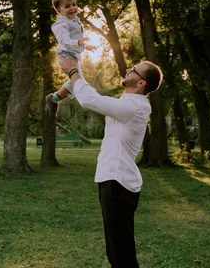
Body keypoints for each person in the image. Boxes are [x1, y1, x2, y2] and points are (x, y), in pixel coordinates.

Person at [58, 56, 163, 268]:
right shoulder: (127, 103)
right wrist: (59, 94)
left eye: (134, 70)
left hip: (118, 183)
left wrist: (72, 71)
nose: (129, 70)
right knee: (117, 251)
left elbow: (90, 100)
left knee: (120, 254)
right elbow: (87, 90)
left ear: (142, 83)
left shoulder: (135, 107)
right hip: (113, 181)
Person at [45, 0, 96, 117]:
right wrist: (79, 42)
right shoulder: (60, 25)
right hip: (65, 55)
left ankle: (54, 99)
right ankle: (54, 99)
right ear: (58, 10)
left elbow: (75, 41)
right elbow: (66, 41)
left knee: (76, 82)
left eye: (74, 4)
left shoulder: (74, 21)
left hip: (72, 54)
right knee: (78, 82)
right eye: (67, 6)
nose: (72, 8)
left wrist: (85, 46)